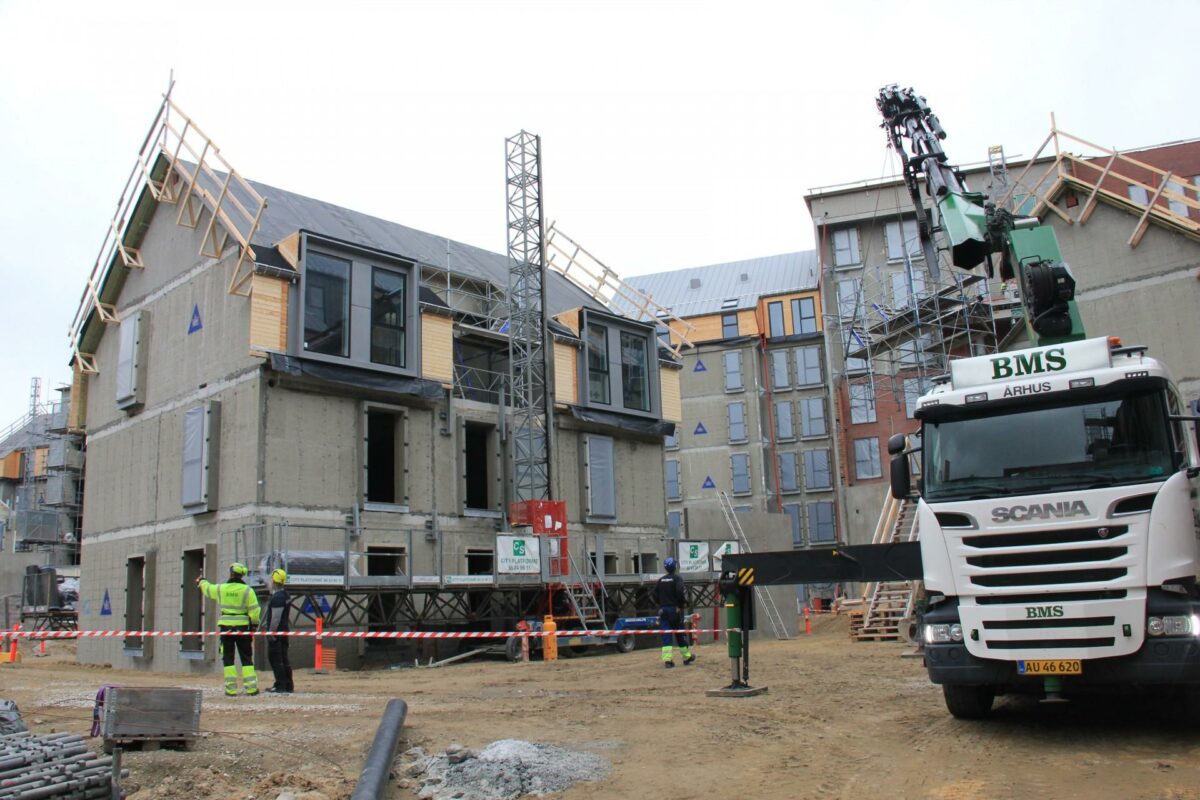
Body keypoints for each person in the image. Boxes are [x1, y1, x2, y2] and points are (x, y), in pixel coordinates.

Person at [197, 562, 261, 697]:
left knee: (228, 658)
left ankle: (231, 689)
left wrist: (202, 581)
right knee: (246, 657)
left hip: (226, 628)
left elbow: (208, 589)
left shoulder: (222, 588)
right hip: (243, 628)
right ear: (242, 575)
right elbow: (255, 611)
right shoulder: (248, 591)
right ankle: (251, 688)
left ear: (231, 573)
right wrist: (254, 626)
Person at [655, 557, 695, 669]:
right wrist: (680, 605)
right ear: (675, 567)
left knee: (666, 635)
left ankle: (668, 661)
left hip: (663, 611)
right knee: (680, 633)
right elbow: (680, 592)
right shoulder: (677, 579)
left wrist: (661, 605)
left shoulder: (661, 580)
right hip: (675, 610)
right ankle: (686, 657)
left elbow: (655, 595)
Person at [261, 568, 294, 693]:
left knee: (276, 659)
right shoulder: (285, 595)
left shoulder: (278, 598)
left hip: (277, 634)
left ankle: (280, 685)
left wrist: (271, 633)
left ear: (274, 581)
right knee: (284, 659)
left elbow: (275, 617)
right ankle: (288, 685)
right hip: (283, 632)